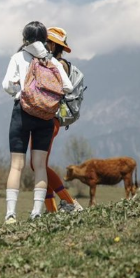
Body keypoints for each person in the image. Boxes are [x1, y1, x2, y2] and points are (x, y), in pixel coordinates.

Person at [1, 21, 73, 224]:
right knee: (40, 165)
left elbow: (6, 84)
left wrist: (21, 93)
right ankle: (37, 212)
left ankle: (11, 214)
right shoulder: (52, 60)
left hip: (23, 113)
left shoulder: (18, 57)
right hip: (46, 116)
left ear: (24, 38)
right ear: (45, 40)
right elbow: (67, 87)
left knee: (17, 165)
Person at [29, 27, 84, 213]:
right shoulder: (61, 64)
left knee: (38, 165)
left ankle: (68, 202)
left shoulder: (56, 65)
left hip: (47, 120)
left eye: (45, 43)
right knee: (38, 165)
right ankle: (52, 210)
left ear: (52, 44)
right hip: (50, 120)